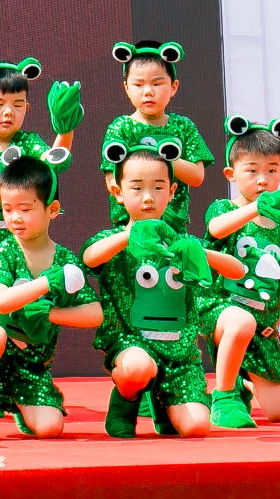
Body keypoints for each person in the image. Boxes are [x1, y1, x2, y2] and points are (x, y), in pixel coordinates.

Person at [84, 141, 243, 439]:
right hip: (132, 344)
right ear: (118, 192)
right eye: (136, 188)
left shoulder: (182, 242)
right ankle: (126, 400)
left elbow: (237, 270)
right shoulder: (112, 240)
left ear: (171, 192)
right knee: (137, 367)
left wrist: (199, 252)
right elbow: (90, 258)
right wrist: (132, 234)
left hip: (179, 353)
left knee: (196, 427)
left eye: (158, 187)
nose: (148, 197)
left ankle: (163, 402)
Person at [0, 154, 100, 443]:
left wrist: (48, 313)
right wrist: (46, 283)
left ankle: (16, 400)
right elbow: (1, 302)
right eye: (7, 209)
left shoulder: (65, 259)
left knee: (50, 428)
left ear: (52, 209)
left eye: (25, 209)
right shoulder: (2, 252)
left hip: (31, 364)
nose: (14, 218)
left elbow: (95, 313)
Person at [201, 117, 280, 427]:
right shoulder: (224, 209)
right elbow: (215, 229)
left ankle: (241, 382)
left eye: (272, 170)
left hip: (264, 328)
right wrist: (256, 208)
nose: (262, 180)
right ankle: (224, 396)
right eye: (251, 171)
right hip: (221, 311)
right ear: (231, 173)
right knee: (241, 322)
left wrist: (279, 263)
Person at [0, 55, 80, 315]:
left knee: (22, 317)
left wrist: (65, 130)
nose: (9, 112)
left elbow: (51, 164)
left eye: (18, 104)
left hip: (22, 252)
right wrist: (14, 189)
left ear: (27, 108)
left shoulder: (28, 143)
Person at [99, 41, 212, 234]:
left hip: (174, 228)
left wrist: (165, 158)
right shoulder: (120, 128)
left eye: (157, 84)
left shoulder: (183, 126)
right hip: (129, 229)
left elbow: (197, 176)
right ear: (126, 87)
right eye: (138, 84)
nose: (148, 92)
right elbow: (112, 181)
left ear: (174, 87)